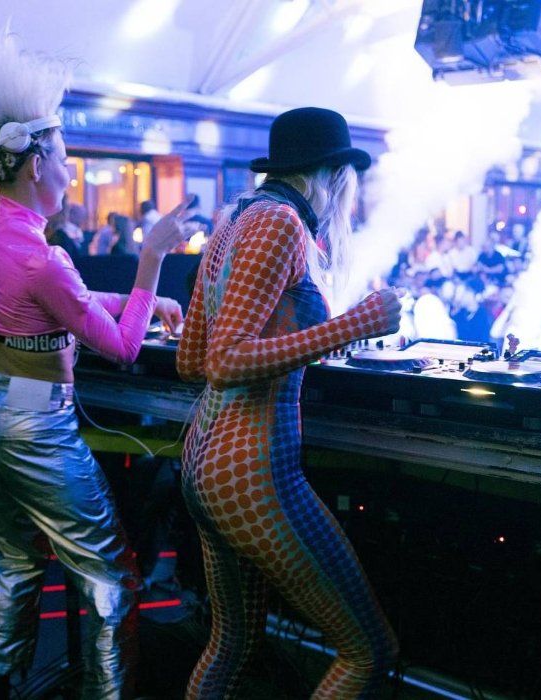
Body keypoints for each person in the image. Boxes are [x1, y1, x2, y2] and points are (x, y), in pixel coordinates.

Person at [0, 25, 188, 699]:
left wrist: (142, 299)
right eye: (63, 158)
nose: (72, 170)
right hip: (32, 429)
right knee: (111, 580)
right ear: (35, 167)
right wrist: (150, 262)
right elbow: (122, 347)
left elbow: (68, 298)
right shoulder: (44, 256)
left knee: (14, 563)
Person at [176, 106, 401, 698]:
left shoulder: (234, 219)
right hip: (250, 471)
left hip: (201, 461)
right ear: (332, 174)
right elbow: (225, 361)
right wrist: (353, 325)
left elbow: (190, 359)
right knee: (368, 651)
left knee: (232, 643)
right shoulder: (281, 223)